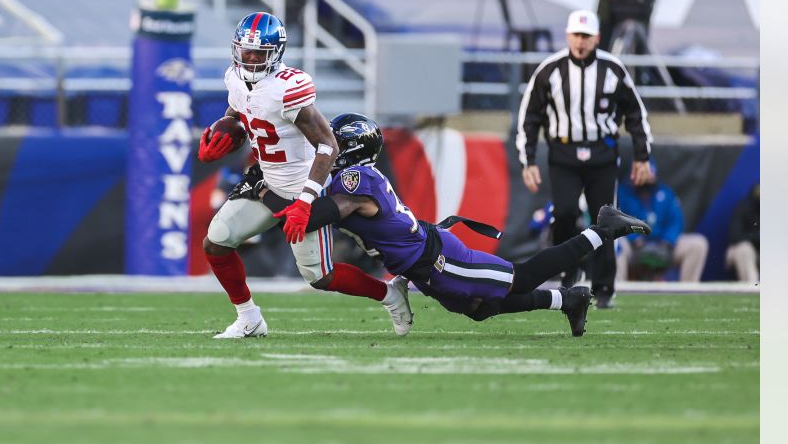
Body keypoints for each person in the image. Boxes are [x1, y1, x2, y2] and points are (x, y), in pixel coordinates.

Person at [254, 114, 653, 336]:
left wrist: (274, 197)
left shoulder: (355, 181)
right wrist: (272, 192)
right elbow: (315, 210)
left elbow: (321, 213)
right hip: (422, 260)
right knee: (479, 309)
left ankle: (603, 228)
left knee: (520, 279)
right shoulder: (353, 178)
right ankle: (569, 299)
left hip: (436, 257)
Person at [196, 13, 414, 339]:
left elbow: (328, 146)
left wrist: (307, 200)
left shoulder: (288, 88)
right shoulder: (234, 77)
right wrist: (227, 129)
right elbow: (240, 110)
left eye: (259, 53)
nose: (251, 59)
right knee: (216, 243)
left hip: (303, 186)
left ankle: (389, 294)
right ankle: (249, 318)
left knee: (321, 277)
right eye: (246, 51)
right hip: (266, 179)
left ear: (276, 53)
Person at [517, 9, 655, 309]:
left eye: (586, 36)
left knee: (605, 219)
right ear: (568, 36)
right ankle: (570, 270)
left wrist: (642, 156)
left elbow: (635, 113)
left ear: (597, 38)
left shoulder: (613, 69)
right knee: (564, 213)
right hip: (564, 153)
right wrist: (527, 160)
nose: (581, 42)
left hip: (602, 154)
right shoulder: (550, 70)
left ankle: (604, 287)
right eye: (577, 35)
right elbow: (530, 115)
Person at [615, 169, 709, 283]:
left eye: (648, 173)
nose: (645, 177)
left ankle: (688, 291)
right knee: (615, 243)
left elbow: (676, 222)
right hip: (634, 247)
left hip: (663, 246)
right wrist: (635, 239)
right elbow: (618, 221)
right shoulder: (623, 194)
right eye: (641, 173)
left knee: (698, 244)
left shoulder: (665, 193)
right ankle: (619, 290)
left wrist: (667, 241)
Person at [725, 185, 759, 282]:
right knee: (743, 249)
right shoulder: (745, 206)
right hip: (748, 250)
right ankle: (753, 290)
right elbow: (734, 236)